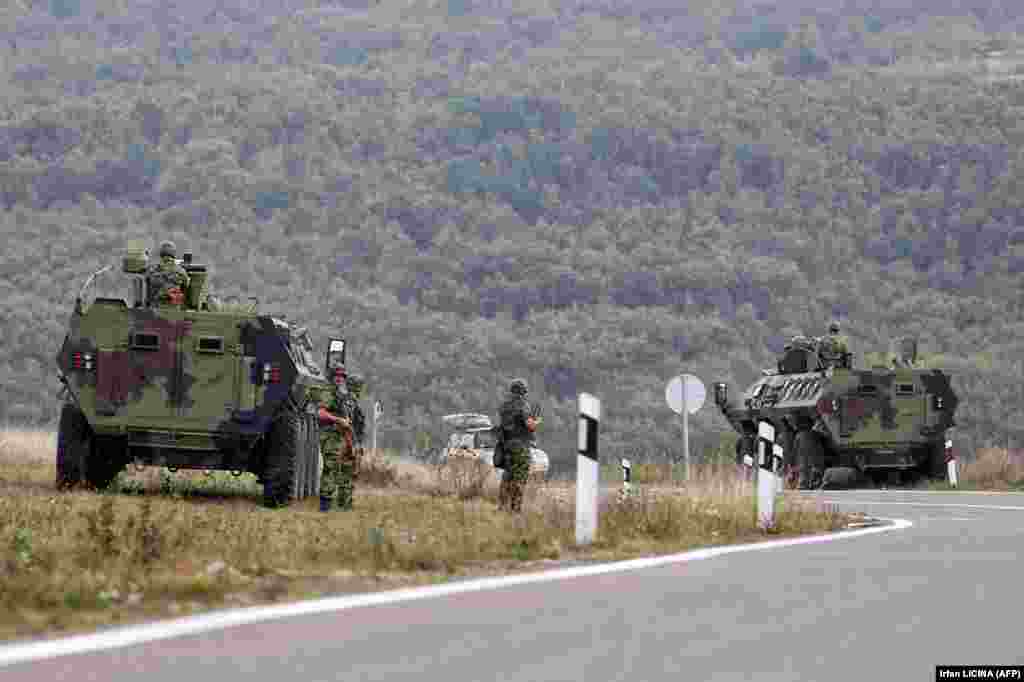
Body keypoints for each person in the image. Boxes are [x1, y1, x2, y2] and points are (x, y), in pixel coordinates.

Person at [497, 378, 540, 512]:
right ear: (523, 392)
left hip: (506, 446)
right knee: (520, 476)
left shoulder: (504, 406)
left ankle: (502, 506)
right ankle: (515, 509)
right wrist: (537, 421)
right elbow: (529, 425)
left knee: (508, 475)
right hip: (520, 446)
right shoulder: (523, 404)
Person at [318, 370, 355, 512]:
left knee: (340, 468)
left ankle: (337, 502)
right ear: (332, 377)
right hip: (329, 435)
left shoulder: (342, 396)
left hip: (340, 435)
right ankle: (324, 505)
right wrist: (338, 420)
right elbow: (321, 413)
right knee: (330, 466)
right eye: (337, 376)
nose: (339, 379)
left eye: (342, 376)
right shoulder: (328, 392)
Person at [145, 241, 190, 307]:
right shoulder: (180, 270)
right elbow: (187, 285)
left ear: (161, 253)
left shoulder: (152, 270)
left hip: (156, 307)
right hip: (175, 308)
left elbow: (147, 283)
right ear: (173, 253)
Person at [341, 373, 367, 478]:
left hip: (351, 441)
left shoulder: (350, 401)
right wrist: (354, 444)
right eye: (359, 386)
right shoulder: (349, 401)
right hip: (348, 441)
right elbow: (349, 424)